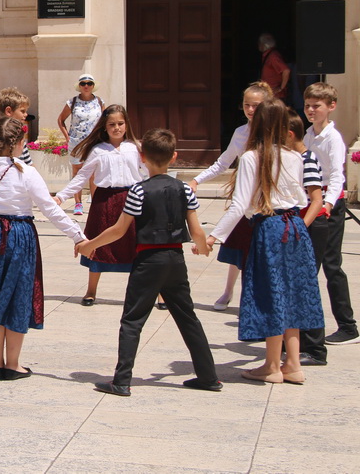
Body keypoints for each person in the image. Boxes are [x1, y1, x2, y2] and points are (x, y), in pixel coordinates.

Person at [78, 128, 221, 396]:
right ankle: (208, 376)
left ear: (142, 158)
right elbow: (197, 230)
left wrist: (90, 245)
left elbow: (119, 230)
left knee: (132, 320)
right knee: (187, 317)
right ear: (174, 157)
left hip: (148, 260)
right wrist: (202, 247)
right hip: (175, 260)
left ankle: (121, 381)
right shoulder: (185, 190)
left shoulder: (138, 191)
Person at [0, 118, 87, 380]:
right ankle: (13, 363)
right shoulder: (26, 172)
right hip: (19, 236)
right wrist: (77, 235)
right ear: (19, 144)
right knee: (16, 297)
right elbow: (50, 209)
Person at [207, 99, 324, 384]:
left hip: (270, 227)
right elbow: (301, 199)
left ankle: (273, 364)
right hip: (296, 227)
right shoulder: (294, 157)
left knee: (270, 293)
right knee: (293, 291)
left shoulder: (251, 157)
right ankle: (293, 363)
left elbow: (239, 204)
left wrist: (214, 235)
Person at [189, 82, 273, 311]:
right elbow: (223, 163)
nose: (251, 110)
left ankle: (257, 300)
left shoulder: (274, 132)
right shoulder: (240, 133)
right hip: (245, 197)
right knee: (238, 246)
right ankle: (227, 291)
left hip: (268, 201)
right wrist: (197, 180)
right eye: (247, 105)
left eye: (256, 105)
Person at [54, 104, 144, 306]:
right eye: (112, 124)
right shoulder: (98, 150)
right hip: (104, 201)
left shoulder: (135, 148)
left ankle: (156, 293)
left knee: (138, 247)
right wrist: (61, 197)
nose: (117, 128)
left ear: (126, 125)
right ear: (104, 126)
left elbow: (149, 172)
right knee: (98, 245)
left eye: (120, 123)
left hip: (132, 200)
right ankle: (91, 290)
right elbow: (82, 177)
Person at [302, 82, 358, 345]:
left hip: (327, 206)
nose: (311, 110)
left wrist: (328, 204)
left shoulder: (333, 138)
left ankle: (347, 326)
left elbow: (337, 175)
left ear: (331, 107)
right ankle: (306, 327)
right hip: (311, 201)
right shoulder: (308, 134)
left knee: (331, 264)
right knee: (310, 264)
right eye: (308, 106)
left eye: (317, 106)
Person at [287, 109, 329, 366]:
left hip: (311, 228)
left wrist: (300, 228)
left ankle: (315, 348)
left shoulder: (307, 159)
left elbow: (317, 200)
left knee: (305, 287)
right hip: (297, 227)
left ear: (290, 135)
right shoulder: (292, 159)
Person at [57, 74, 104, 216]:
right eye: (83, 83)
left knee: (94, 173)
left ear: (93, 85)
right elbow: (61, 120)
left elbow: (105, 119)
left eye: (89, 83)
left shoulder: (100, 101)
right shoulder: (72, 102)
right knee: (77, 172)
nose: (86, 86)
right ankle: (78, 203)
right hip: (76, 142)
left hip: (94, 142)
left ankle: (95, 202)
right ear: (80, 85)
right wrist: (67, 137)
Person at [0, 88, 33, 165]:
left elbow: (29, 164)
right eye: (22, 111)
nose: (26, 114)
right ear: (8, 111)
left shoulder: (19, 135)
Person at [258, 33, 290, 101]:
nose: (258, 45)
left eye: (259, 43)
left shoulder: (273, 56)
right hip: (269, 95)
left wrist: (281, 88)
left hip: (276, 97)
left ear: (264, 44)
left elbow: (286, 70)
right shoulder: (267, 55)